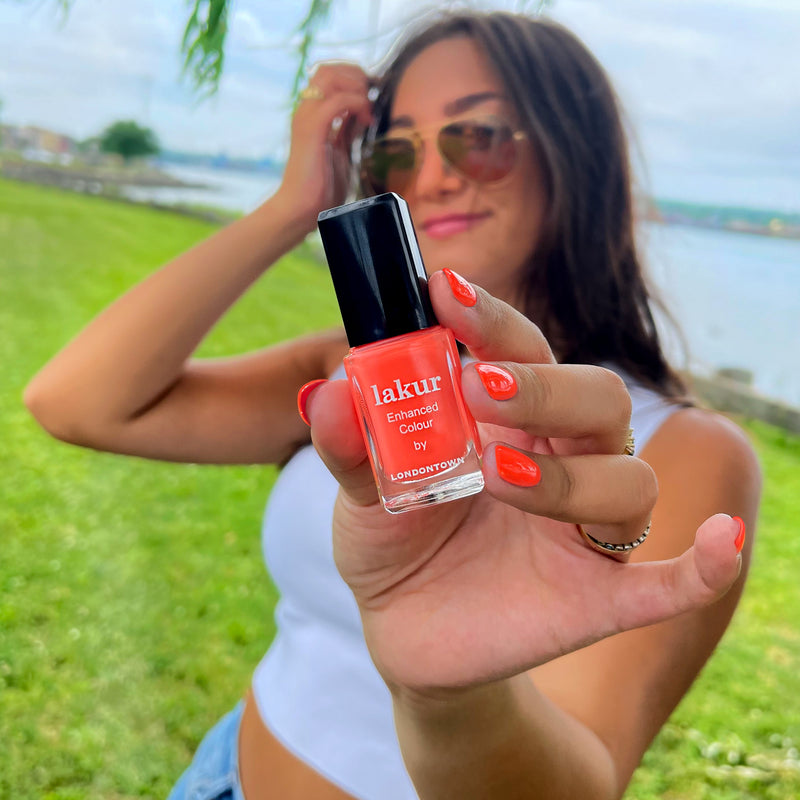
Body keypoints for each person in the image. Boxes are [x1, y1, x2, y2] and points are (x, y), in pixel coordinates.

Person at [24, 10, 761, 800]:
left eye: (476, 136)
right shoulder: (353, 371)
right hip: (221, 774)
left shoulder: (683, 449)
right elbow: (76, 403)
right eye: (396, 148)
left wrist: (448, 696)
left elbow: (579, 785)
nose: (432, 176)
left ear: (573, 155)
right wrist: (293, 205)